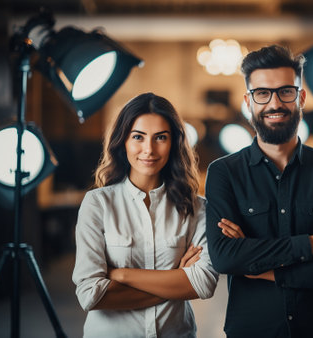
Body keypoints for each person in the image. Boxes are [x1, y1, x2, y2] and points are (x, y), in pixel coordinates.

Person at [205, 45, 313, 338]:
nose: (274, 103)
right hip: (251, 330)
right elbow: (226, 258)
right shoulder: (223, 172)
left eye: (285, 92)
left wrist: (264, 269)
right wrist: (312, 245)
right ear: (248, 101)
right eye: (262, 93)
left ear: (300, 97)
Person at [72, 93, 218, 338]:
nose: (149, 149)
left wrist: (121, 274)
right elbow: (90, 294)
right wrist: (178, 281)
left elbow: (202, 283)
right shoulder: (98, 204)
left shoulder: (197, 208)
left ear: (174, 143)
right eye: (138, 137)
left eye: (161, 137)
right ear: (123, 142)